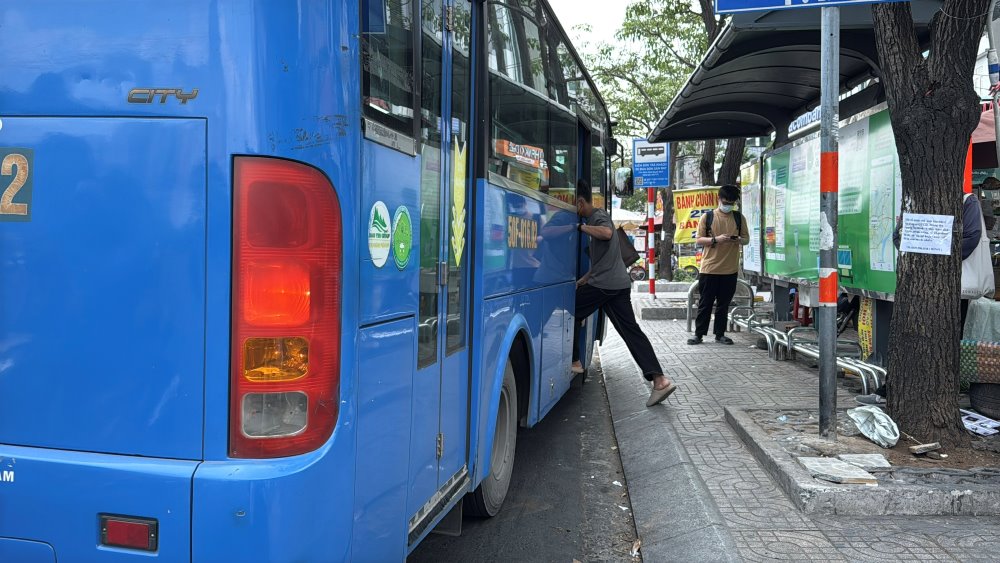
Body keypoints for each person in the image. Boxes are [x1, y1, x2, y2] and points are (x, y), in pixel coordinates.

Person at [857, 190, 993, 406]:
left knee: (945, 341)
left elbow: (971, 238)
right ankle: (894, 389)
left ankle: (939, 394)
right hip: (917, 285)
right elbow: (897, 236)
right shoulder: (917, 196)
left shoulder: (967, 202)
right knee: (908, 336)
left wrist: (927, 253)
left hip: (952, 287)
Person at [571, 180, 677, 407]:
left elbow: (607, 233)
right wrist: (584, 279)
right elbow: (603, 260)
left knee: (570, 310)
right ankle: (660, 380)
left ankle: (575, 361)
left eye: (574, 205)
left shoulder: (597, 217)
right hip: (615, 284)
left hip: (605, 286)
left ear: (580, 202)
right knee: (631, 332)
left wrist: (580, 228)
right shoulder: (599, 215)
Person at [687, 184, 750, 345]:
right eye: (726, 201)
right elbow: (699, 239)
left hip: (730, 269)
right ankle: (699, 334)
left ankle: (720, 334)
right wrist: (716, 239)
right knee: (705, 303)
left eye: (731, 202)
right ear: (719, 199)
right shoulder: (707, 217)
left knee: (724, 304)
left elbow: (746, 239)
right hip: (709, 269)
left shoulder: (738, 218)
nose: (728, 205)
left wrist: (736, 239)